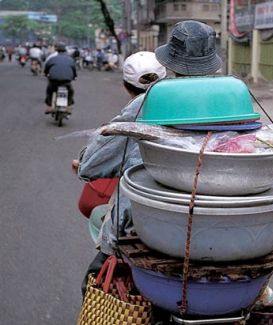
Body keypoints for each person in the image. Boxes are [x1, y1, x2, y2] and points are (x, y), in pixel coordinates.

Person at [75, 20, 221, 294]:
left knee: (95, 282)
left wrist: (85, 164)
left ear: (170, 62)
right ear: (213, 62)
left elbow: (93, 163)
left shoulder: (147, 102)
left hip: (149, 221)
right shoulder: (230, 100)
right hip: (222, 216)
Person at [43, 43, 77, 114]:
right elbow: (74, 71)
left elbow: (46, 68)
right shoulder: (70, 59)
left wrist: (46, 74)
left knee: (50, 90)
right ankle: (68, 106)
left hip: (54, 81)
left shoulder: (52, 58)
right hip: (66, 82)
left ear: (56, 50)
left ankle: (50, 106)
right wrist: (74, 77)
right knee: (71, 92)